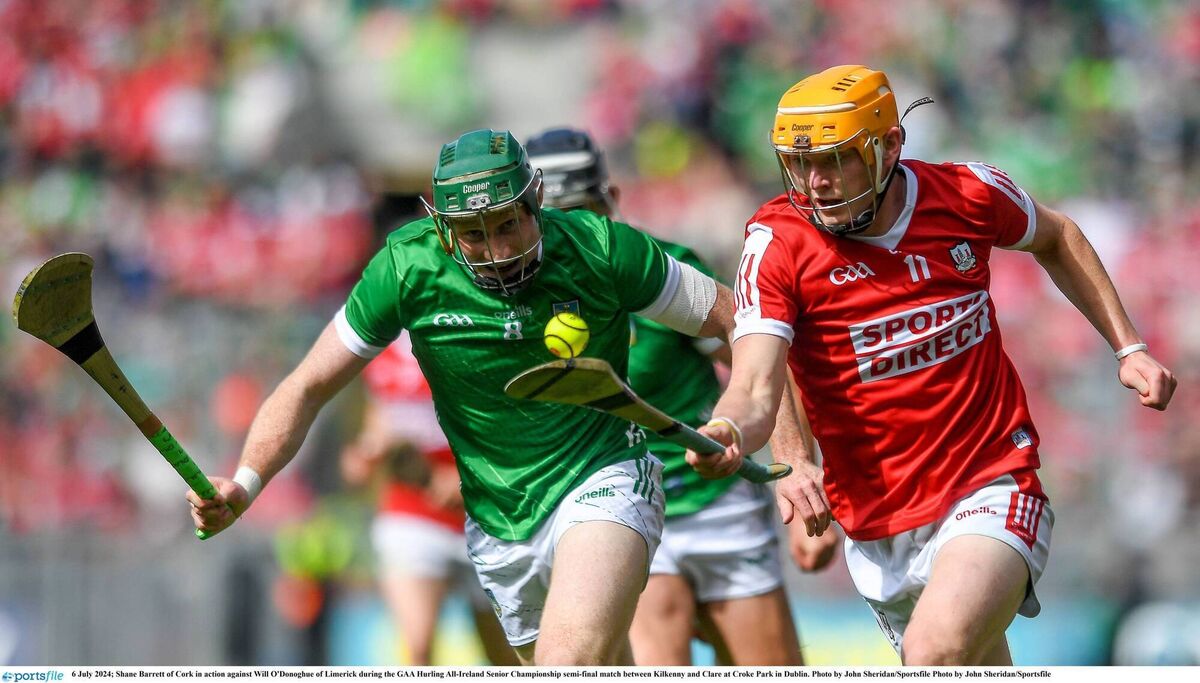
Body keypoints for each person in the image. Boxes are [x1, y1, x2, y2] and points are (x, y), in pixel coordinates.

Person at [189, 128, 739, 666]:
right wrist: (245, 481)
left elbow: (738, 321)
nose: (497, 252)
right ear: (443, 228)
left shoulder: (601, 248)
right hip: (499, 519)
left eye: (507, 226)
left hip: (604, 477)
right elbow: (306, 386)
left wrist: (753, 424)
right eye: (473, 234)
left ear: (536, 201)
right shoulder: (406, 271)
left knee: (565, 662)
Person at [687, 65, 1178, 666]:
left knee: (933, 653)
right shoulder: (776, 243)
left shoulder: (968, 194)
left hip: (992, 481)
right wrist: (735, 431)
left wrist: (1128, 347)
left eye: (836, 160)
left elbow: (1057, 235)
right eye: (799, 163)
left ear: (890, 146)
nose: (816, 182)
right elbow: (758, 382)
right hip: (877, 524)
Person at [526, 128, 839, 666]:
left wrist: (803, 474)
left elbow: (760, 363)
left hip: (719, 503)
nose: (574, 232)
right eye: (556, 220)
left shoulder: (661, 272)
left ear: (611, 201)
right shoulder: (521, 307)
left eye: (583, 210)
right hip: (626, 509)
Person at [339, 336, 516, 665]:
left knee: (505, 655)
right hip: (411, 513)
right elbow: (378, 422)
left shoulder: (471, 334)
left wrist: (469, 477)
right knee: (417, 648)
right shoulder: (380, 347)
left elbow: (512, 425)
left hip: (487, 516)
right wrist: (364, 454)